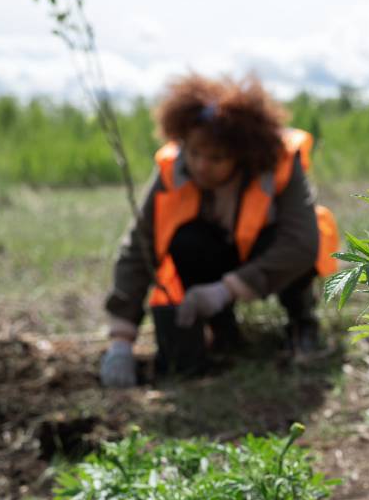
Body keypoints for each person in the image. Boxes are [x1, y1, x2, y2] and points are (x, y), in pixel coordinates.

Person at [99, 74, 338, 388]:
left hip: (268, 258)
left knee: (294, 245)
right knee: (187, 241)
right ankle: (224, 334)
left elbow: (301, 242)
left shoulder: (277, 162)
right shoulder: (174, 168)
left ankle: (302, 324)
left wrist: (226, 290)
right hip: (218, 254)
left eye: (216, 158)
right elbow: (138, 248)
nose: (201, 165)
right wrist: (121, 340)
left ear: (241, 155)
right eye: (195, 153)